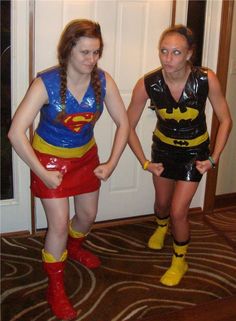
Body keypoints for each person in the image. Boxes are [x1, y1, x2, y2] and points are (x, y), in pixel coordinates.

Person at [8, 19, 129, 320]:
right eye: (84, 52)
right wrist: (43, 172)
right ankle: (55, 285)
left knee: (87, 216)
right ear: (68, 51)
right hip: (48, 161)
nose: (91, 60)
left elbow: (124, 123)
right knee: (59, 224)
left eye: (96, 53)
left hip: (85, 158)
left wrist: (111, 162)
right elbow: (15, 132)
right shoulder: (45, 83)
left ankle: (73, 249)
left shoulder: (104, 81)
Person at [127, 25, 232, 287]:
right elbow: (126, 125)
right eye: (164, 51)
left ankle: (179, 259)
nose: (168, 58)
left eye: (176, 52)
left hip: (194, 153)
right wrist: (144, 162)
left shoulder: (207, 79)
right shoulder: (148, 84)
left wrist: (213, 158)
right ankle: (160, 227)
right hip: (162, 150)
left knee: (178, 211)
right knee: (162, 205)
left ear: (188, 54)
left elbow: (226, 120)